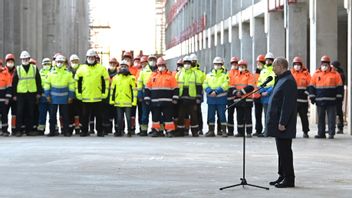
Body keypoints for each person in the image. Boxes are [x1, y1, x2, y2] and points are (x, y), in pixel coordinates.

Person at [267, 57, 297, 188]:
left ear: (281, 66)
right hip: (278, 123)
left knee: (285, 151)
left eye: (274, 66)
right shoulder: (281, 79)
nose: (273, 69)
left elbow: (287, 104)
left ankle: (289, 179)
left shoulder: (288, 81)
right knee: (281, 151)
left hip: (284, 124)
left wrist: (283, 122)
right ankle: (282, 175)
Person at [75, 49, 109, 137]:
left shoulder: (101, 68)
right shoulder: (81, 68)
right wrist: (78, 93)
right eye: (89, 57)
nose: (91, 58)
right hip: (85, 97)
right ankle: (84, 131)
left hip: (98, 96)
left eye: (92, 57)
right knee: (84, 116)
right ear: (87, 57)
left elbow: (106, 81)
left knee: (99, 116)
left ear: (95, 57)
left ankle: (100, 131)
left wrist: (105, 93)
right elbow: (77, 82)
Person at [308, 55, 343, 139]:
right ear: (321, 64)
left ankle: (331, 133)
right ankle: (321, 133)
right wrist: (312, 97)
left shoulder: (335, 74)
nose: (324, 65)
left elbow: (339, 87)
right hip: (319, 101)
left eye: (326, 63)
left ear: (329, 64)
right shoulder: (316, 74)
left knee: (331, 118)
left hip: (332, 101)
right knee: (320, 119)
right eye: (323, 63)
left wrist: (339, 98)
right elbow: (312, 86)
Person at [144, 57, 178, 137]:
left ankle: (169, 131)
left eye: (162, 65)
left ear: (165, 66)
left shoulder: (170, 76)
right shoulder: (153, 76)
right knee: (155, 117)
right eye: (159, 65)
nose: (161, 67)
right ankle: (156, 131)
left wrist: (175, 98)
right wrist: (147, 98)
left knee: (168, 117)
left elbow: (175, 88)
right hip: (155, 102)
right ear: (157, 66)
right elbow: (147, 88)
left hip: (167, 102)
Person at [12, 50, 42, 137]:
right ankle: (18, 130)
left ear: (29, 59)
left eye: (26, 58)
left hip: (31, 93)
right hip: (21, 94)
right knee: (19, 112)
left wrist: (39, 93)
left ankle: (29, 130)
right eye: (23, 59)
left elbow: (38, 81)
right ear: (21, 59)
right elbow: (14, 83)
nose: (25, 60)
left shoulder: (34, 68)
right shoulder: (18, 69)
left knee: (30, 112)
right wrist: (14, 95)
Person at [44, 55, 75, 136]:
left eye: (61, 62)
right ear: (55, 62)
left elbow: (72, 86)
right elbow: (47, 85)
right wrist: (47, 96)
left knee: (65, 116)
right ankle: (52, 131)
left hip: (65, 99)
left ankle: (66, 131)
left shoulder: (68, 73)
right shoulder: (51, 73)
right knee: (52, 116)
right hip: (53, 99)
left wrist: (71, 97)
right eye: (58, 62)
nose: (59, 63)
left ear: (64, 63)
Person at [175, 56, 202, 137]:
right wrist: (176, 97)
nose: (187, 65)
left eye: (188, 63)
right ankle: (180, 131)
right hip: (181, 98)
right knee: (181, 116)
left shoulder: (195, 74)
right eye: (185, 63)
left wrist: (198, 97)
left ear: (191, 64)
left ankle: (195, 131)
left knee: (194, 115)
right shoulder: (179, 73)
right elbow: (175, 86)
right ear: (183, 64)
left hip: (192, 98)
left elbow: (198, 86)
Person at [110, 60, 137, 137]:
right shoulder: (115, 78)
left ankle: (129, 131)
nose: (123, 68)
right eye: (122, 66)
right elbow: (112, 90)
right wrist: (112, 100)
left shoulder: (131, 78)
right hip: (118, 101)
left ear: (128, 68)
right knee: (119, 118)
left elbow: (134, 91)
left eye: (125, 66)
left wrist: (134, 101)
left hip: (128, 102)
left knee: (128, 118)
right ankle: (119, 131)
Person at [203, 57, 229, 137]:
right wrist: (209, 91)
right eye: (216, 64)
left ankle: (223, 130)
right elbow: (204, 84)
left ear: (222, 65)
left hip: (221, 99)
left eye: (219, 64)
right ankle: (211, 131)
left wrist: (217, 91)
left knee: (222, 115)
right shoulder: (209, 75)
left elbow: (226, 84)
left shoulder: (225, 75)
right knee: (210, 115)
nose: (217, 66)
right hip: (211, 99)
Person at [232, 59, 255, 137]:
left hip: (247, 99)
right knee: (239, 117)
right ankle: (240, 132)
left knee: (248, 117)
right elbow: (231, 87)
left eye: (243, 66)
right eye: (240, 66)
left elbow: (251, 87)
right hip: (238, 99)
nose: (241, 67)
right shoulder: (235, 76)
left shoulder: (250, 75)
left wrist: (241, 92)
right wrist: (235, 92)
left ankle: (249, 132)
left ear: (246, 67)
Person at [290, 56, 311, 138]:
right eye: (295, 64)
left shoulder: (306, 74)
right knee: (292, 118)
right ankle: (292, 132)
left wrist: (306, 92)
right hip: (293, 100)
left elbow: (310, 85)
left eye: (298, 64)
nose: (297, 66)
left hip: (303, 101)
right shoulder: (290, 73)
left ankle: (305, 132)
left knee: (304, 117)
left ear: (301, 65)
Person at [257, 52, 276, 137]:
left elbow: (275, 83)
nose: (268, 61)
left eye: (269, 60)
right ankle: (266, 131)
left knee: (272, 115)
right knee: (266, 114)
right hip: (264, 96)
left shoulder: (275, 70)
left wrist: (268, 92)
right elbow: (259, 82)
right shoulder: (263, 71)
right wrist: (261, 91)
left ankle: (271, 131)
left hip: (271, 95)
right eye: (267, 60)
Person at [137, 55, 157, 136]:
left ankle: (156, 129)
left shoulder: (158, 71)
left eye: (153, 60)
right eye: (151, 60)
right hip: (145, 94)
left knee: (156, 114)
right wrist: (140, 94)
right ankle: (143, 130)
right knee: (145, 114)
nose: (152, 61)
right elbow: (139, 83)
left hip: (156, 94)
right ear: (148, 61)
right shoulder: (143, 71)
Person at [102, 57, 119, 135]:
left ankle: (117, 129)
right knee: (106, 115)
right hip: (106, 97)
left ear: (116, 64)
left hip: (116, 97)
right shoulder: (105, 73)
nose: (112, 65)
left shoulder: (119, 73)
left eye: (114, 63)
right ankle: (106, 129)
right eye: (111, 63)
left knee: (116, 115)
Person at [190, 53, 205, 135]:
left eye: (194, 61)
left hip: (198, 95)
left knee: (198, 112)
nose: (193, 62)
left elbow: (203, 83)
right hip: (189, 95)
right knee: (189, 113)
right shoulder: (186, 71)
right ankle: (188, 128)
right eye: (192, 61)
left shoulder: (200, 72)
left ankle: (200, 128)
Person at [37, 58, 52, 135]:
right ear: (42, 65)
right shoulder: (40, 73)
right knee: (42, 114)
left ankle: (53, 128)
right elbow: (38, 84)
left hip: (51, 97)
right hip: (42, 97)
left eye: (48, 64)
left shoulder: (53, 72)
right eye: (45, 64)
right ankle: (41, 129)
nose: (46, 66)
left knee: (52, 114)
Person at [68, 54, 82, 135]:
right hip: (70, 95)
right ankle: (70, 128)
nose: (74, 63)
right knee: (70, 112)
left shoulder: (82, 70)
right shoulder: (67, 71)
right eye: (73, 61)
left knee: (79, 113)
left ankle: (78, 128)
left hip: (79, 95)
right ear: (70, 62)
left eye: (76, 61)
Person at [331, 60, 346, 134]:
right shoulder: (334, 73)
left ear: (336, 67)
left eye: (333, 66)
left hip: (339, 96)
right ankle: (332, 127)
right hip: (333, 95)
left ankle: (340, 127)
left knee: (339, 111)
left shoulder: (340, 75)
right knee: (332, 112)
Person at [4, 54, 17, 136]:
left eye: (11, 61)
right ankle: (4, 129)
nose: (10, 63)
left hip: (15, 96)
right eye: (9, 61)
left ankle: (14, 129)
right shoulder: (3, 71)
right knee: (4, 113)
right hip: (5, 97)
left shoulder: (17, 71)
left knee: (14, 114)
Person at [253, 54, 265, 136]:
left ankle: (266, 130)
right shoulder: (254, 74)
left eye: (261, 63)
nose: (259, 65)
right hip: (257, 97)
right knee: (257, 115)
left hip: (264, 96)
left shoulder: (265, 73)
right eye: (258, 63)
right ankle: (258, 130)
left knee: (266, 114)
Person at [227, 56, 239, 136]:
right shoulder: (228, 73)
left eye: (235, 63)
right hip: (230, 97)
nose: (234, 65)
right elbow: (228, 85)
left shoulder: (240, 72)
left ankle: (239, 131)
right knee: (230, 115)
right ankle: (230, 131)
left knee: (239, 115)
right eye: (233, 63)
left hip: (238, 97)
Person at [0, 58, 12, 136]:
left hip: (3, 99)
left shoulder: (6, 73)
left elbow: (9, 87)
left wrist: (7, 98)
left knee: (4, 115)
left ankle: (4, 130)